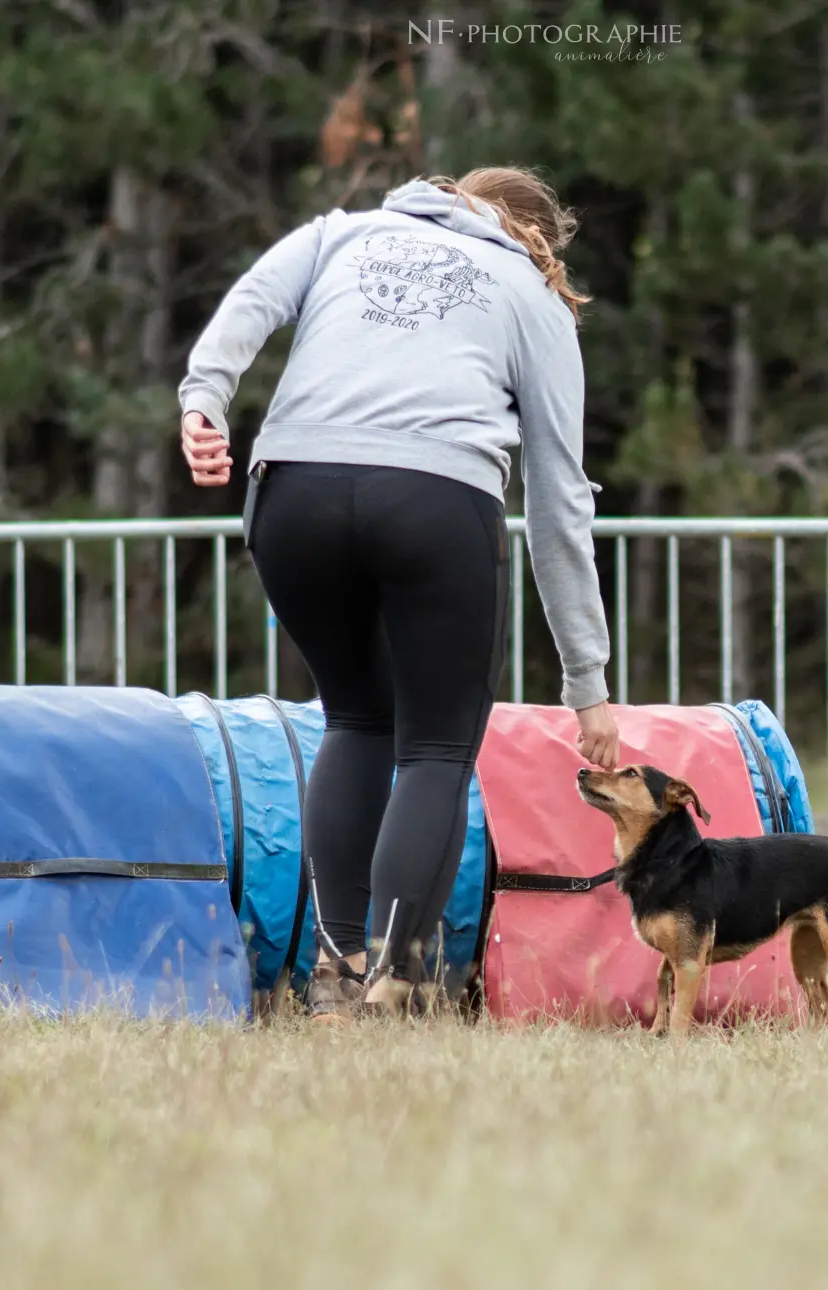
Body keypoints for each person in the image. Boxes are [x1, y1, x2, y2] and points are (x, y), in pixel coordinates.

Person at [178, 166, 620, 1018]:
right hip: (434, 498)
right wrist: (587, 683)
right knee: (434, 749)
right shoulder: (530, 291)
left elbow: (250, 301)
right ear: (539, 239)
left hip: (292, 489)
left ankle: (336, 968)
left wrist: (206, 400)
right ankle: (393, 978)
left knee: (355, 716)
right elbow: (560, 499)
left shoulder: (341, 232)